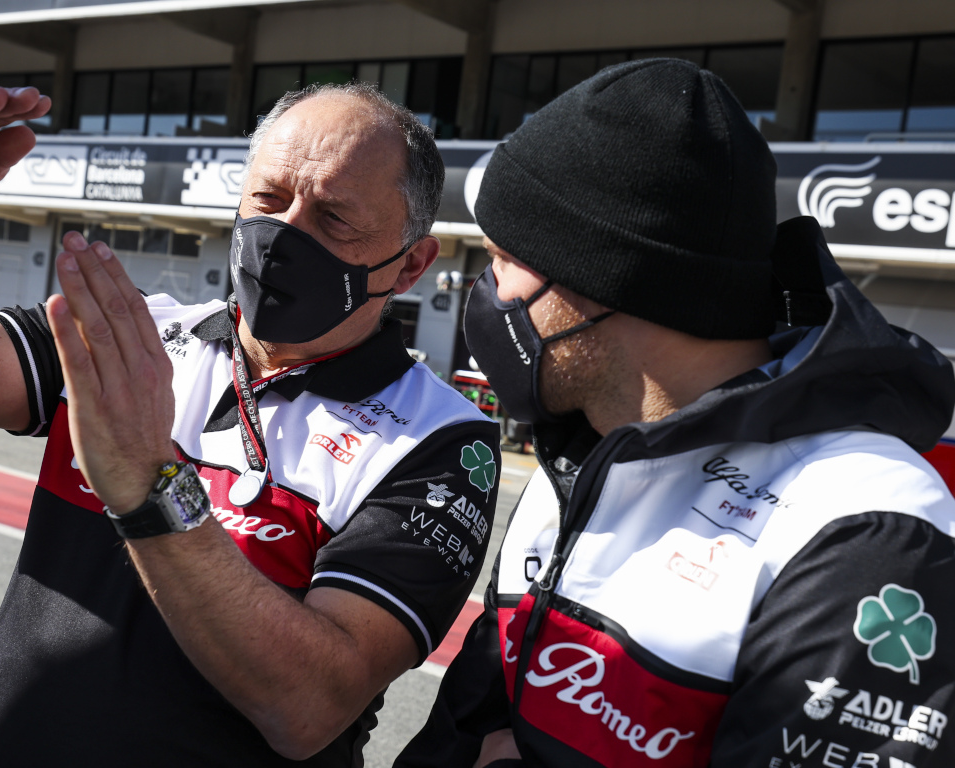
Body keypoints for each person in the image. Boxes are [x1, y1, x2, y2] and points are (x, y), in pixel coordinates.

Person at [0, 82, 501, 767]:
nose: (285, 234)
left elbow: (310, 706)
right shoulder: (137, 334)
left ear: (410, 264)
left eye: (333, 219)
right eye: (268, 199)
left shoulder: (439, 439)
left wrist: (152, 486)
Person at [396, 59, 955, 768]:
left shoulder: (864, 528)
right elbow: (463, 730)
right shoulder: (579, 456)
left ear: (610, 277)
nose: (489, 288)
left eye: (506, 259)